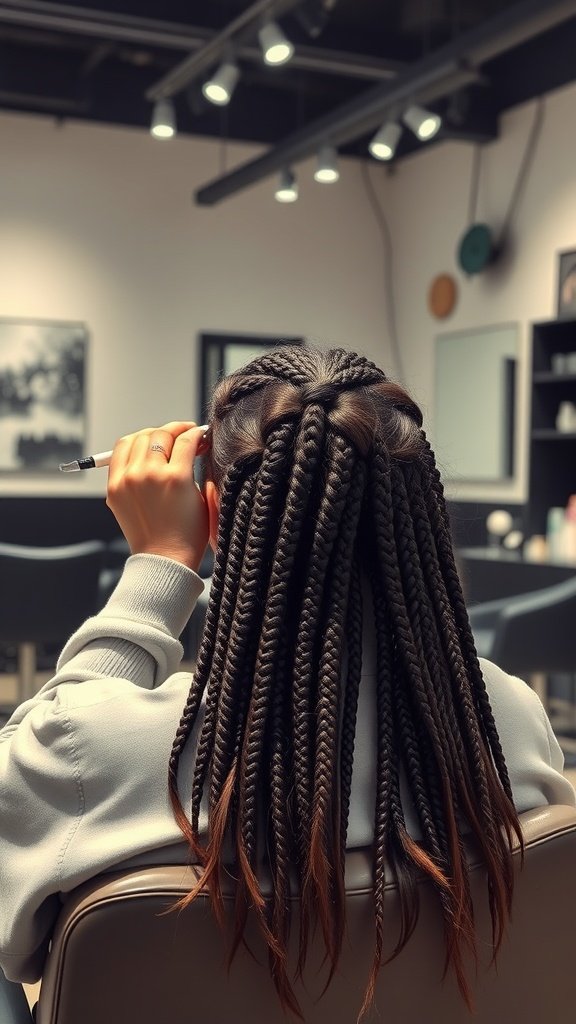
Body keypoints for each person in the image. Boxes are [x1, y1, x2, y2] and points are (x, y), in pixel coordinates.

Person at [0, 344, 574, 1021]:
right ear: (420, 514)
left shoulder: (92, 751)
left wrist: (159, 564)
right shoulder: (508, 721)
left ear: (215, 516)